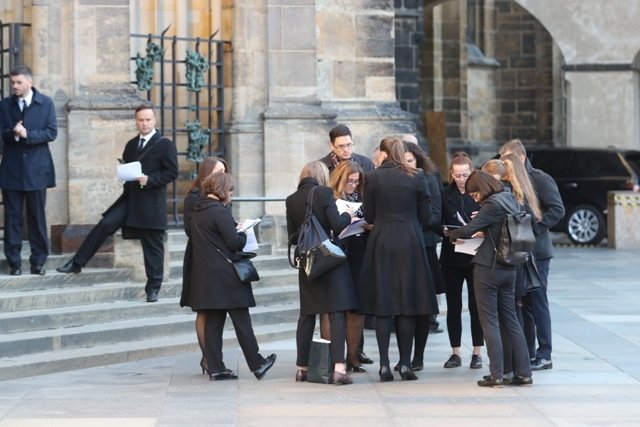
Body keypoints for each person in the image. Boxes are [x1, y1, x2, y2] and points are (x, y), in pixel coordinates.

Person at [57, 104, 178, 303]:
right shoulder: (131, 144)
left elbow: (172, 173)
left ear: (154, 120)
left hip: (151, 203)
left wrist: (150, 179)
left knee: (152, 245)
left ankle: (153, 288)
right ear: (136, 121)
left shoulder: (165, 144)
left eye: (148, 120)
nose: (144, 123)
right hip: (130, 199)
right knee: (105, 224)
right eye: (141, 120)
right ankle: (77, 263)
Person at [358, 137, 438, 382]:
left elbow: (369, 213)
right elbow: (426, 216)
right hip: (410, 242)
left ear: (384, 154)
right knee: (407, 306)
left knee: (383, 307)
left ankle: (384, 365)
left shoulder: (372, 177)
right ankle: (405, 364)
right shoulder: (417, 177)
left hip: (381, 240)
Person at [446, 171, 533, 387]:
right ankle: (523, 373)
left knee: (490, 322)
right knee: (511, 320)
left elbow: (468, 229)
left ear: (482, 189)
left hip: (489, 269)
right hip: (510, 267)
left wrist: (451, 234)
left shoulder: (491, 205)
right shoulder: (509, 198)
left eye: (475, 194)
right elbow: (500, 230)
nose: (474, 198)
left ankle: (497, 375)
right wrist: (485, 231)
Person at [188, 172, 276, 381]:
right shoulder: (220, 211)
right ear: (221, 189)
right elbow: (234, 243)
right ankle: (258, 364)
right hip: (227, 276)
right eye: (229, 190)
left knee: (213, 323)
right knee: (242, 321)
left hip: (207, 276)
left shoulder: (198, 210)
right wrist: (244, 232)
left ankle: (216, 368)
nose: (230, 195)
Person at [286, 161, 359, 385]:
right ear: (320, 175)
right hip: (328, 261)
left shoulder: (291, 199)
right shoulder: (324, 193)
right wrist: (349, 216)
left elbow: (293, 236)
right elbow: (337, 226)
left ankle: (302, 368)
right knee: (336, 312)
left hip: (307, 262)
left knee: (307, 314)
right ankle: (338, 368)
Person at [499, 139, 565, 371]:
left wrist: (534, 229)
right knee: (523, 301)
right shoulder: (510, 180)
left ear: (521, 158)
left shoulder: (539, 179)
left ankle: (544, 353)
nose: (503, 163)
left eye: (507, 159)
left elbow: (557, 209)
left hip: (537, 252)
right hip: (519, 250)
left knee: (537, 301)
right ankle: (527, 352)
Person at [0, 66, 57, 276]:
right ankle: (14, 263)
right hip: (12, 170)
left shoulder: (46, 103)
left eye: (18, 82)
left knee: (37, 218)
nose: (14, 86)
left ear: (29, 82)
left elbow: (51, 133)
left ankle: (38, 262)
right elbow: (1, 133)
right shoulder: (4, 105)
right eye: (12, 82)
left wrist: (27, 134)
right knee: (12, 218)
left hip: (37, 170)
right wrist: (13, 134)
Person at [395, 140, 444, 372]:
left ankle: (418, 356)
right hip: (403, 249)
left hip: (423, 247)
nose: (408, 166)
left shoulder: (429, 178)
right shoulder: (396, 180)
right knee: (401, 305)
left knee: (423, 306)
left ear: (418, 159)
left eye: (411, 161)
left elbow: (436, 216)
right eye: (403, 162)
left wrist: (413, 222)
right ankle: (403, 356)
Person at [180, 157, 229, 374]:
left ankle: (212, 357)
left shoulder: (223, 195)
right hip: (200, 257)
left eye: (225, 172)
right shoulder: (194, 197)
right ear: (207, 173)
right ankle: (207, 358)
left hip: (218, 256)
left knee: (215, 309)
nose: (223, 176)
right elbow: (190, 229)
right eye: (219, 172)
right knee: (203, 307)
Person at [439, 152, 484, 370]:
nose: (462, 179)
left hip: (475, 256)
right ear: (451, 174)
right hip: (452, 255)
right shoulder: (444, 193)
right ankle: (455, 351)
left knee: (477, 306)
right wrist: (445, 229)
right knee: (453, 305)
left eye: (465, 174)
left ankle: (477, 351)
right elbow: (436, 220)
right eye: (457, 175)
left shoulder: (480, 193)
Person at [326, 160, 368, 373]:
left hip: (358, 251)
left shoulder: (361, 197)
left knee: (356, 307)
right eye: (349, 181)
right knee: (334, 307)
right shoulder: (329, 196)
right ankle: (333, 357)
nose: (352, 185)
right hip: (336, 253)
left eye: (356, 182)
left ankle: (353, 357)